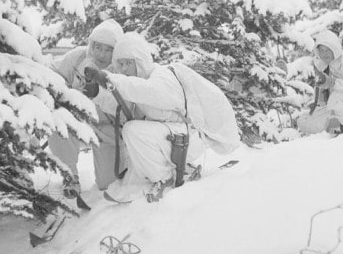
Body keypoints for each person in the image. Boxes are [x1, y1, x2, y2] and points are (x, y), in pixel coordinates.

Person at [85, 34, 240, 202]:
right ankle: (171, 173)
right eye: (120, 64)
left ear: (140, 61)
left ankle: (165, 179)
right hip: (173, 138)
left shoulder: (162, 76)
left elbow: (148, 91)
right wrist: (98, 93)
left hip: (188, 139)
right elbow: (123, 105)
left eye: (128, 63)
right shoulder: (138, 82)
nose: (123, 69)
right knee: (132, 160)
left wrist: (110, 79)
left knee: (133, 131)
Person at [49, 19, 127, 196]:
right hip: (78, 120)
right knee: (59, 121)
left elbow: (127, 105)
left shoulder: (121, 69)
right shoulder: (77, 57)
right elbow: (52, 74)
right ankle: (70, 176)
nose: (101, 54)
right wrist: (63, 94)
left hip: (107, 127)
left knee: (108, 184)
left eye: (108, 50)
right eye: (98, 47)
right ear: (91, 45)